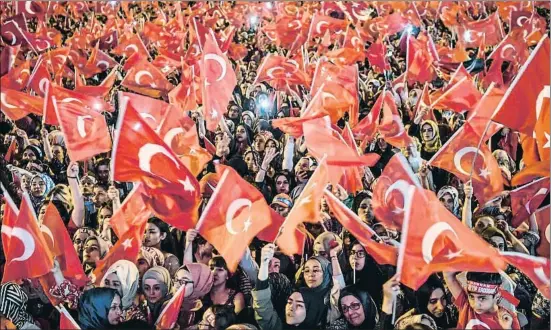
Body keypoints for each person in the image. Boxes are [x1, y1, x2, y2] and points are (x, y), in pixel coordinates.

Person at [444, 271, 520, 329]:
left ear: (497, 296)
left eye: (482, 298)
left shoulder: (509, 319)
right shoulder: (465, 304)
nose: (475, 304)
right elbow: (448, 275)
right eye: (471, 297)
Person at [173, 263, 213, 328]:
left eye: (183, 281)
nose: (177, 285)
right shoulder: (167, 304)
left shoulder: (207, 313)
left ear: (199, 284)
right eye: (176, 279)